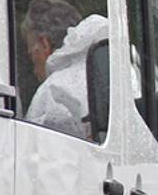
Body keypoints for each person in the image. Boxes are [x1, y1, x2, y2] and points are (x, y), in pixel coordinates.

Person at [25, 12, 106, 141]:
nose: (34, 71)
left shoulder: (53, 90)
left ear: (45, 44)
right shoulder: (126, 79)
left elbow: (31, 144)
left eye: (31, 56)